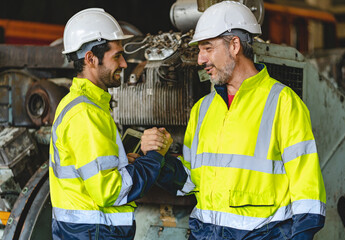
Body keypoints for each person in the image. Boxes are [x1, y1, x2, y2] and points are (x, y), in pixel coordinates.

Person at [140, 1, 326, 239]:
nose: (200, 59)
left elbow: (308, 197)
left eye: (207, 48)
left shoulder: (283, 104)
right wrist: (157, 159)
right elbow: (190, 181)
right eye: (199, 50)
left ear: (234, 45)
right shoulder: (202, 109)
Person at [49, 8, 172, 240]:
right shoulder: (85, 113)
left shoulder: (81, 104)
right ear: (90, 59)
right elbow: (111, 192)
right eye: (116, 56)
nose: (124, 64)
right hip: (94, 233)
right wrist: (154, 157)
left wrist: (123, 160)